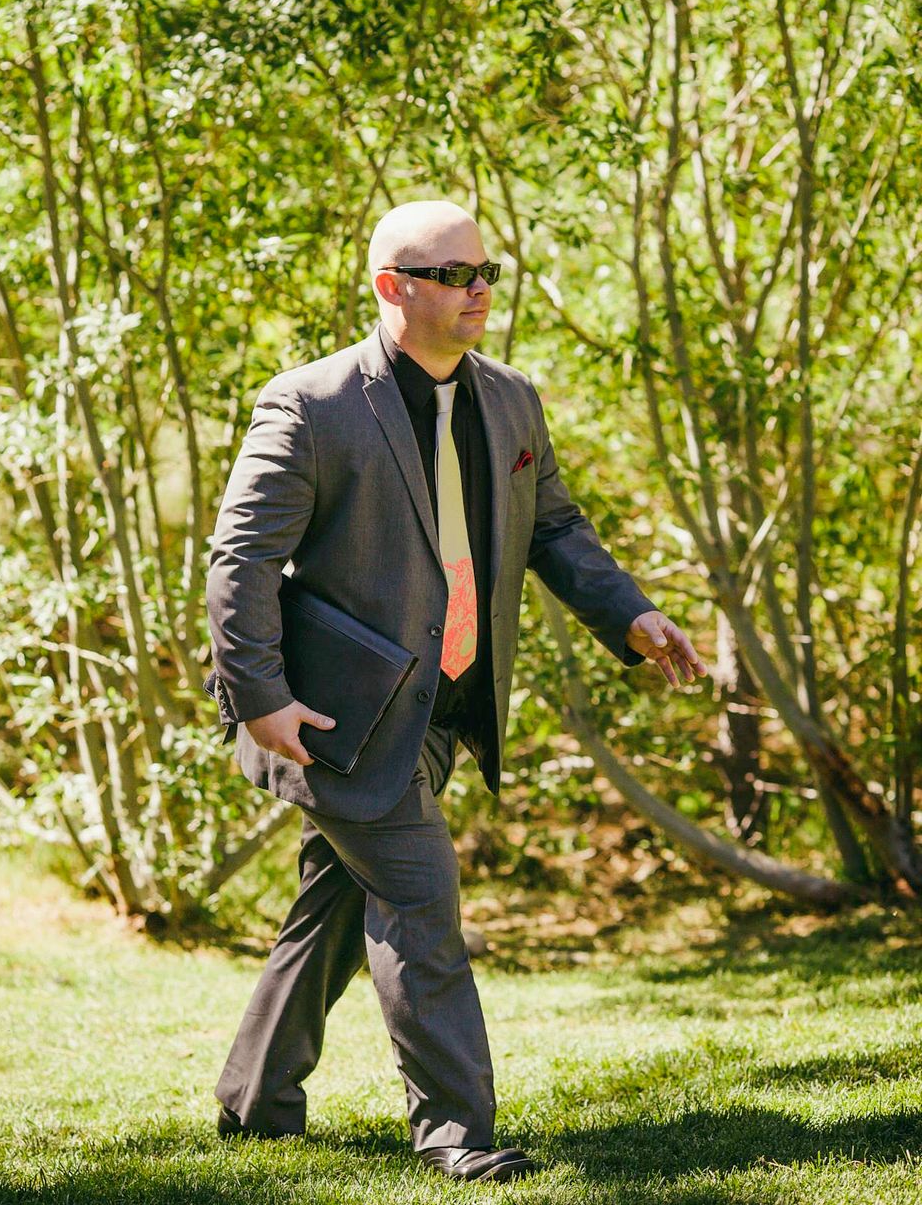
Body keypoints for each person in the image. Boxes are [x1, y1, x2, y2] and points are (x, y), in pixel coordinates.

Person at [205, 199, 706, 1183]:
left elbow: (554, 528)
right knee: (420, 903)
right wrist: (258, 698)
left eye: (487, 271)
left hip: (451, 702)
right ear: (394, 287)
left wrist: (631, 614)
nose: (480, 290)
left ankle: (255, 1097)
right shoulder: (311, 404)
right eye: (456, 274)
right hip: (335, 715)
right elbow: (242, 559)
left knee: (334, 907)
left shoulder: (511, 398)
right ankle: (457, 1133)